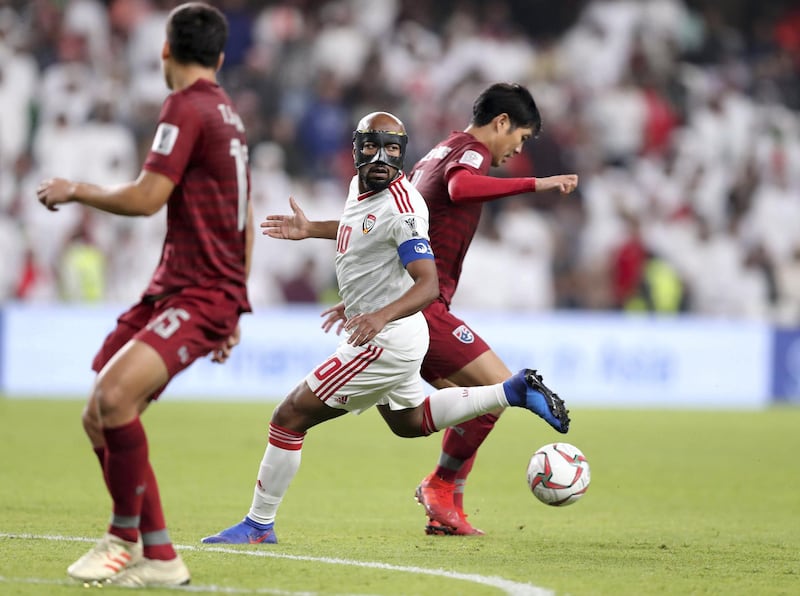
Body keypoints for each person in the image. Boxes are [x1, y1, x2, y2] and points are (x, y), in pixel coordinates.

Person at [200, 111, 569, 545]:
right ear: (356, 149)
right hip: (396, 334)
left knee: (288, 417)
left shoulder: (405, 207)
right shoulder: (362, 187)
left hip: (386, 338)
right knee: (410, 422)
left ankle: (258, 526)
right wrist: (311, 231)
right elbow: (361, 234)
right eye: (372, 147)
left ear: (403, 153)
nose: (381, 157)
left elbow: (427, 283)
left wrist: (377, 314)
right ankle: (511, 391)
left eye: (392, 149)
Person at [36, 3, 252, 587]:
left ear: (165, 49)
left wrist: (75, 188)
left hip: (199, 291)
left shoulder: (185, 107)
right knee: (98, 413)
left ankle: (121, 540)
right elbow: (244, 215)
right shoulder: (229, 114)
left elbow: (148, 196)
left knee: (112, 399)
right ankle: (160, 556)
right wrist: (238, 295)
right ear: (221, 56)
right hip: (186, 287)